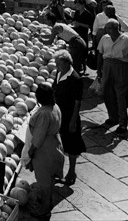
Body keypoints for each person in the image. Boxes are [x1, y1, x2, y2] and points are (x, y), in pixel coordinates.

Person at [24, 85, 64, 217]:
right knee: (51, 178)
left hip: (44, 150)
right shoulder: (55, 107)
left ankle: (44, 209)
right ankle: (49, 200)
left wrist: (31, 150)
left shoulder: (44, 114)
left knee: (44, 181)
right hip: (55, 145)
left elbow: (39, 137)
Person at [97, 19, 128, 134]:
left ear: (115, 28)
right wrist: (99, 70)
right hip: (107, 67)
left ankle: (123, 123)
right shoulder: (104, 38)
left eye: (108, 28)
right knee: (107, 94)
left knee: (121, 96)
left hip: (122, 68)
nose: (107, 30)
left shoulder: (127, 41)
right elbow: (100, 55)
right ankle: (113, 117)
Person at [52, 50, 86, 186]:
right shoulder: (60, 73)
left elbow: (78, 101)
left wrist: (73, 121)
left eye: (58, 64)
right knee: (60, 143)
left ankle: (72, 172)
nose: (56, 66)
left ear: (67, 63)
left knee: (72, 145)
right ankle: (58, 172)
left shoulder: (75, 78)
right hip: (59, 114)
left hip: (69, 116)